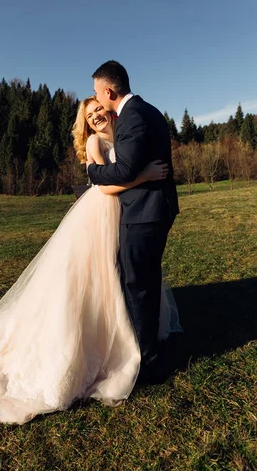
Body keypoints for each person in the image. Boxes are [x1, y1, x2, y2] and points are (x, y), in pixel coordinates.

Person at [0, 96, 180, 425]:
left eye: (99, 109)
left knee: (120, 273)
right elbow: (106, 186)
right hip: (101, 215)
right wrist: (146, 177)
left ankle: (129, 329)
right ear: (85, 124)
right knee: (98, 276)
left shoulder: (123, 136)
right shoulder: (97, 142)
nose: (97, 116)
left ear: (109, 110)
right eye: (90, 115)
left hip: (124, 216)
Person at [87, 60, 180, 384]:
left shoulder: (132, 116)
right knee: (145, 280)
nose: (97, 98)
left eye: (98, 92)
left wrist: (93, 173)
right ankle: (149, 347)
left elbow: (125, 170)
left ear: (108, 90)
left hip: (144, 213)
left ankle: (149, 362)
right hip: (154, 209)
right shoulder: (148, 110)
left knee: (137, 285)